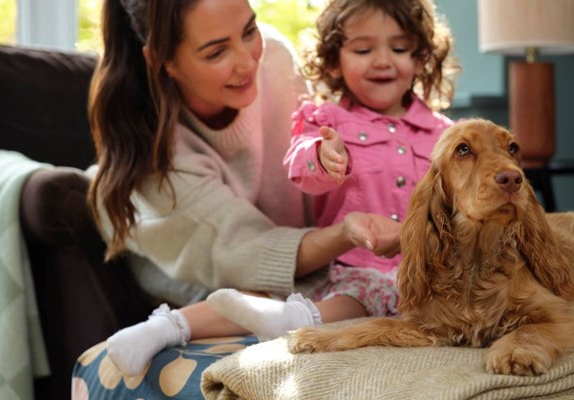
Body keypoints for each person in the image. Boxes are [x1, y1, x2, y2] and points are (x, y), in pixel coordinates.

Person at [90, 0, 401, 377]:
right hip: (185, 255)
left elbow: (312, 156)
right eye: (217, 51)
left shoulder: (275, 60)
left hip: (297, 249)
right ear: (163, 59)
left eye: (250, 31)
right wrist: (349, 233)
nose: (248, 60)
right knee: (275, 293)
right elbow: (249, 256)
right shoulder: (151, 145)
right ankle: (164, 327)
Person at [209, 0, 459, 335]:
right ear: (334, 63)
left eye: (399, 48)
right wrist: (324, 155)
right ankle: (295, 322)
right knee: (362, 293)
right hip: (358, 267)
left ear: (420, 57)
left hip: (435, 270)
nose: (383, 61)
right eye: (362, 50)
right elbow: (301, 172)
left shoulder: (447, 134)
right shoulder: (325, 122)